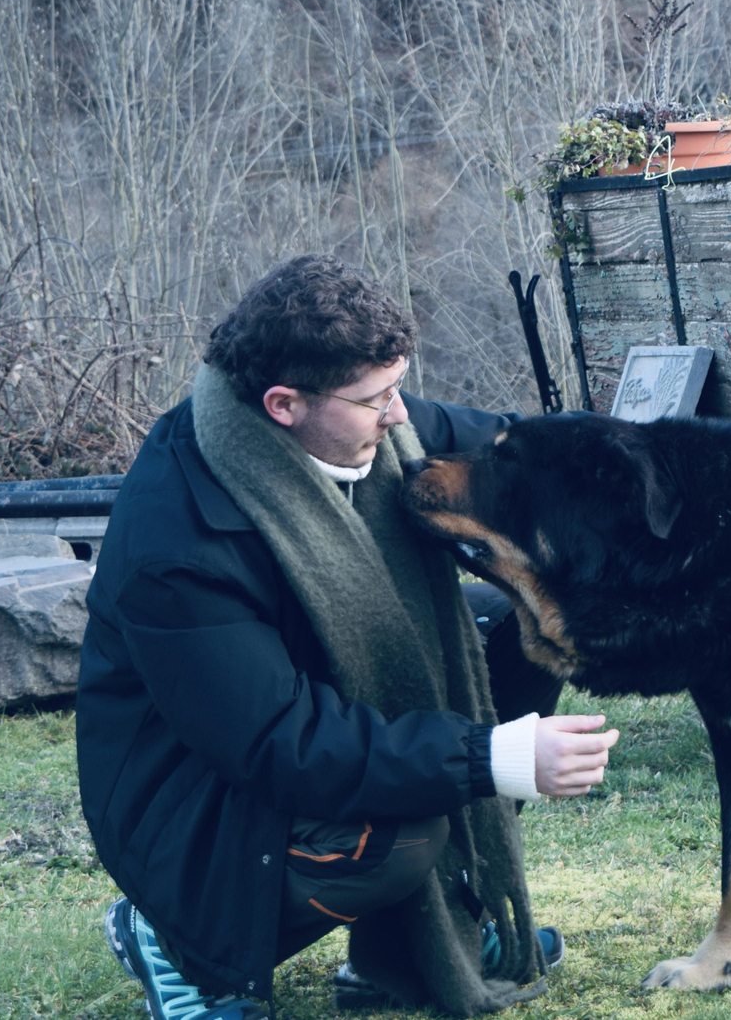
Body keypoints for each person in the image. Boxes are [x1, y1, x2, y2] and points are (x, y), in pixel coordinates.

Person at [77, 255, 615, 1020]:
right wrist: (492, 758)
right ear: (284, 404)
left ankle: (404, 953)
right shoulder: (176, 541)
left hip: (294, 724)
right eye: (377, 399)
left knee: (516, 636)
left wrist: (645, 466)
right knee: (402, 834)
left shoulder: (360, 425)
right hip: (191, 803)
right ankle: (177, 941)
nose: (401, 415)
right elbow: (279, 742)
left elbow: (513, 450)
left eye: (397, 387)